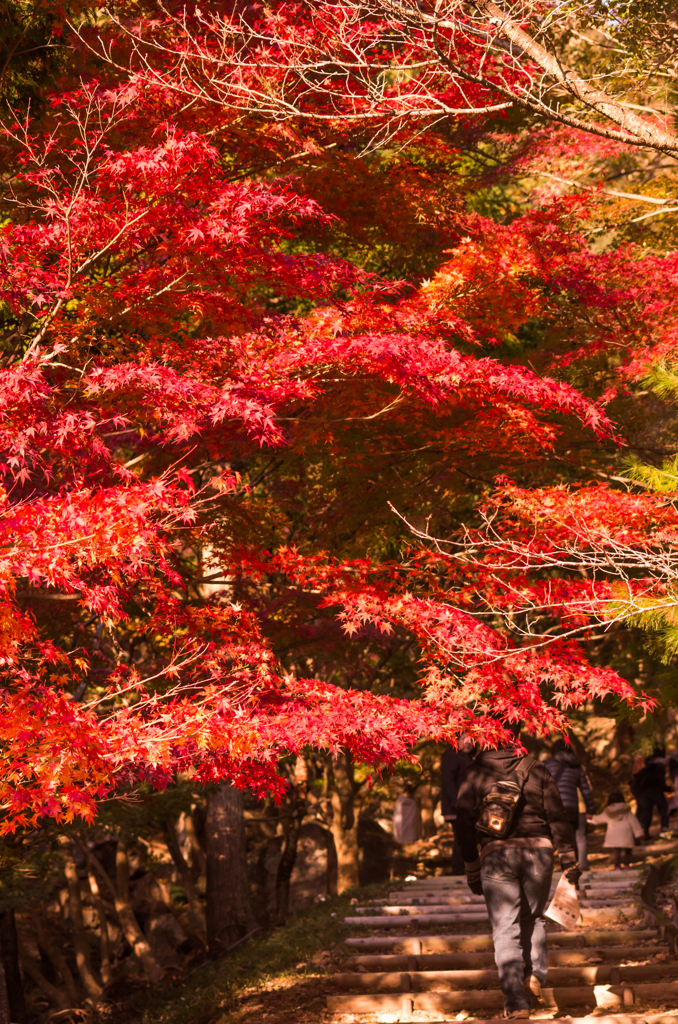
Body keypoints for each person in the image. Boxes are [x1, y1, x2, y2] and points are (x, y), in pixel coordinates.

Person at [456, 727, 579, 1020]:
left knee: (505, 928)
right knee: (534, 919)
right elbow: (557, 815)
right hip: (539, 851)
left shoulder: (473, 773)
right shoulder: (537, 768)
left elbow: (462, 823)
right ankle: (535, 976)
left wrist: (472, 866)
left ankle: (516, 1003)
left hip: (495, 854)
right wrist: (570, 860)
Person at [544, 739, 596, 869]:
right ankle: (572, 870)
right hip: (570, 808)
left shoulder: (546, 765)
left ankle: (543, 869)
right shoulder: (576, 766)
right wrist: (591, 808)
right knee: (569, 841)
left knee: (547, 839)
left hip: (549, 807)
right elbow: (586, 790)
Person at [441, 735, 475, 874]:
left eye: (471, 740)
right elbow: (448, 781)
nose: (468, 743)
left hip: (466, 805)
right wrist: (457, 803)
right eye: (464, 740)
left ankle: (464, 869)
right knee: (461, 838)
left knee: (465, 838)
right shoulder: (451, 756)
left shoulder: (465, 758)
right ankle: (459, 869)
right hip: (457, 807)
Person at [589, 790, 643, 869]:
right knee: (628, 850)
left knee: (617, 851)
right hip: (626, 833)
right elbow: (633, 821)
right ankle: (626, 865)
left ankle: (617, 866)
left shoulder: (608, 810)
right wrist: (639, 833)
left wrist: (590, 819)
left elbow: (599, 819)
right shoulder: (626, 809)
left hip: (614, 833)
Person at [632, 745, 672, 840]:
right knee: (663, 811)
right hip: (656, 792)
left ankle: (642, 833)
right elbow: (659, 781)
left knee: (646, 812)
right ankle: (664, 831)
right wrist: (667, 788)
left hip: (644, 793)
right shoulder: (659, 767)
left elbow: (636, 780)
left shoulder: (645, 769)